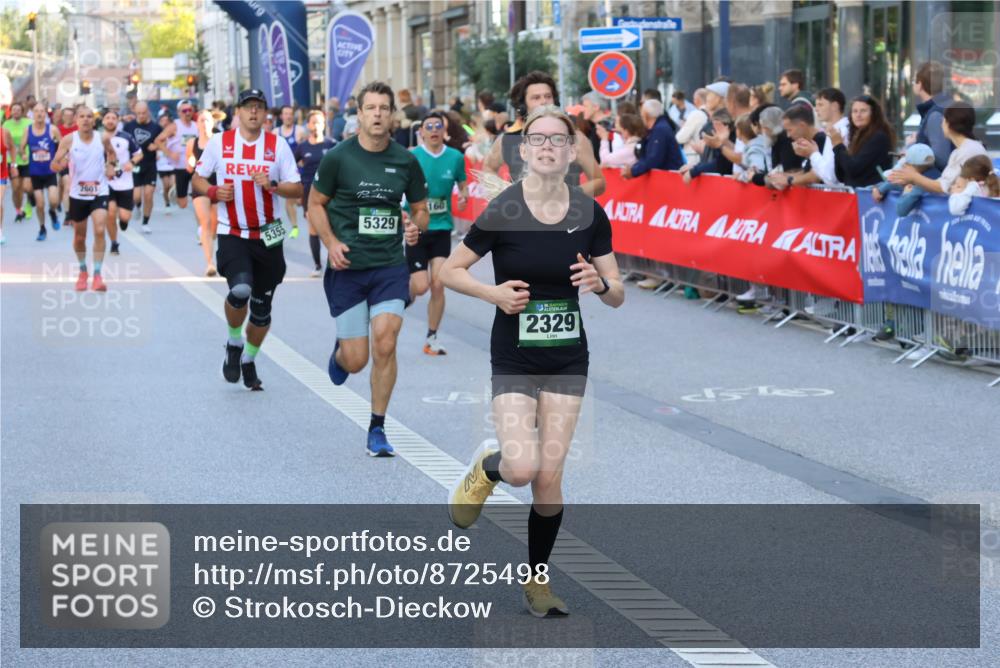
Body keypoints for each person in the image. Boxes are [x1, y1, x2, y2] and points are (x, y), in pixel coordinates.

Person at [441, 105, 624, 618]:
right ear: (523, 150)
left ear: (571, 151)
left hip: (567, 358)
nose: (547, 147)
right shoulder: (505, 208)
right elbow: (450, 271)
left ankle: (537, 581)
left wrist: (600, 283)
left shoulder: (589, 212)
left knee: (548, 477)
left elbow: (618, 293)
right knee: (522, 468)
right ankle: (489, 466)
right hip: (515, 354)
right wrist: (492, 293)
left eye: (557, 140)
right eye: (537, 139)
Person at [308, 81, 430, 457]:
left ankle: (377, 427)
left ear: (392, 115)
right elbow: (315, 204)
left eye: (384, 108)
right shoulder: (338, 158)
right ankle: (342, 353)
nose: (377, 114)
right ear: (359, 115)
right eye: (371, 108)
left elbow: (421, 210)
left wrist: (415, 227)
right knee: (357, 360)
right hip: (348, 267)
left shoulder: (406, 161)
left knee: (386, 341)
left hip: (389, 267)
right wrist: (331, 243)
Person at [192, 89, 303, 390]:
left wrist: (274, 185)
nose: (253, 112)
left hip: (269, 232)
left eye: (259, 107)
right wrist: (213, 191)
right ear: (238, 113)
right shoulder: (220, 143)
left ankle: (249, 359)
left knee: (262, 310)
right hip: (233, 231)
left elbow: (297, 189)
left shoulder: (277, 145)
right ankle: (233, 342)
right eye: (248, 107)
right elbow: (197, 178)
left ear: (266, 113)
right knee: (240, 289)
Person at [483, 71, 605, 197]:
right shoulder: (507, 139)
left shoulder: (574, 138)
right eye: (536, 98)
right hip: (519, 209)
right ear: (523, 105)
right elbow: (488, 168)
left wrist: (568, 195)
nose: (544, 101)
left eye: (548, 96)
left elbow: (599, 182)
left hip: (566, 209)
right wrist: (503, 192)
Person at [405, 111, 468, 356]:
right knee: (421, 287)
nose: (433, 130)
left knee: (439, 283)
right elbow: (401, 189)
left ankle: (431, 337)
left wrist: (463, 197)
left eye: (437, 126)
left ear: (444, 131)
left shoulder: (455, 157)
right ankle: (404, 293)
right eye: (428, 126)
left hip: (441, 227)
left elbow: (462, 184)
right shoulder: (412, 156)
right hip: (417, 228)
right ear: (421, 132)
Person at [49, 105, 115, 292]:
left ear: (94, 121)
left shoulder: (102, 138)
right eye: (82, 117)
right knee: (80, 237)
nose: (86, 120)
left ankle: (97, 274)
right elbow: (54, 164)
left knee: (100, 229)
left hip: (99, 191)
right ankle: (83, 271)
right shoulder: (69, 140)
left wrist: (111, 166)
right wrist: (61, 164)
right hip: (78, 194)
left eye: (89, 116)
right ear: (76, 120)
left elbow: (112, 154)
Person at [888, 102, 988, 195]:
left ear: (949, 124)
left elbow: (943, 187)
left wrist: (914, 177)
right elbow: (943, 183)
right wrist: (913, 180)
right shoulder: (963, 149)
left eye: (943, 120)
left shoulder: (967, 150)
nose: (941, 124)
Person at [293, 109, 337, 276]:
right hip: (309, 192)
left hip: (330, 192)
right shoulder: (302, 147)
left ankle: (334, 260)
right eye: (314, 122)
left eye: (320, 122)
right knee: (313, 228)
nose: (317, 125)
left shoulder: (332, 144)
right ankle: (317, 265)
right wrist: (297, 187)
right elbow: (291, 166)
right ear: (308, 125)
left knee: (332, 227)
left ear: (324, 125)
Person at [123, 102, 170, 233]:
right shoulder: (129, 126)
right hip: (135, 165)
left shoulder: (156, 127)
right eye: (138, 113)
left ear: (148, 112)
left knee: (148, 195)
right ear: (135, 112)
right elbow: (122, 141)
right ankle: (137, 205)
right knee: (136, 196)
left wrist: (156, 146)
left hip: (150, 165)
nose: (141, 115)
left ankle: (145, 222)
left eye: (143, 113)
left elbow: (164, 140)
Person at [101, 109, 142, 256]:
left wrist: (131, 162)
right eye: (108, 118)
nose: (110, 120)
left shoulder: (126, 137)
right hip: (106, 183)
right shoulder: (97, 138)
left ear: (118, 121)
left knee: (124, 217)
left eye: (113, 118)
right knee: (110, 213)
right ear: (103, 121)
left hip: (125, 183)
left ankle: (124, 222)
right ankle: (114, 242)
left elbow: (139, 154)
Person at [830, 95, 894, 188]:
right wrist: (838, 147)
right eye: (855, 111)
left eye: (863, 111)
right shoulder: (855, 136)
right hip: (856, 193)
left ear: (873, 114)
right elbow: (841, 175)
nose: (858, 115)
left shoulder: (878, 137)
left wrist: (838, 145)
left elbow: (853, 169)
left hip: (869, 194)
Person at [188, 110, 221, 275]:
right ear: (197, 124)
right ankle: (209, 263)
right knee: (205, 222)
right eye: (201, 120)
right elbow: (189, 167)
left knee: (217, 223)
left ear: (212, 123)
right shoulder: (192, 143)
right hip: (200, 185)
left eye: (207, 120)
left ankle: (211, 237)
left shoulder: (219, 141)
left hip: (218, 184)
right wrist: (191, 162)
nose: (204, 123)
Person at [24, 102, 62, 240]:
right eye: (36, 111)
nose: (39, 114)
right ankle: (42, 228)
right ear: (32, 114)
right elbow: (21, 148)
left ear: (45, 114)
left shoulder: (52, 129)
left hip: (50, 171)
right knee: (40, 205)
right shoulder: (28, 130)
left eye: (42, 111)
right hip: (35, 173)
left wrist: (59, 159)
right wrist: (23, 154)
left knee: (54, 201)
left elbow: (62, 145)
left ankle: (52, 212)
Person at [623, 98, 684, 179]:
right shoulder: (657, 129)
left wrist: (633, 171)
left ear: (646, 116)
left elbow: (654, 159)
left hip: (669, 179)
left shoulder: (660, 130)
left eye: (642, 116)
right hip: (666, 177)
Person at [911, 61, 954, 175]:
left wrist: (913, 152)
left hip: (934, 181)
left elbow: (941, 158)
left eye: (913, 81)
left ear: (920, 84)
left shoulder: (935, 114)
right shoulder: (946, 105)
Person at [871, 143, 935, 216]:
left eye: (906, 165)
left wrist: (906, 193)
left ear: (910, 166)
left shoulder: (921, 184)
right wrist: (878, 189)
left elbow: (901, 211)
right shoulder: (933, 175)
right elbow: (894, 183)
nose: (904, 167)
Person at [159, 100, 200, 212]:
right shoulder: (174, 126)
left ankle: (198, 200)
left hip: (195, 167)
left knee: (200, 196)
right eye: (184, 110)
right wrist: (170, 153)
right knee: (182, 204)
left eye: (189, 110)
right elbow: (158, 140)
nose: (187, 113)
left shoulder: (196, 126)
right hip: (180, 167)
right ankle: (177, 191)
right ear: (179, 113)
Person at [680, 108, 735, 183]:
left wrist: (694, 171)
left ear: (726, 125)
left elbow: (720, 164)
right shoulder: (717, 137)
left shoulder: (732, 138)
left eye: (717, 124)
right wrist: (694, 167)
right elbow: (712, 161)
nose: (714, 127)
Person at [275, 105, 305, 239]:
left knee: (300, 200)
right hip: (285, 173)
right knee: (289, 200)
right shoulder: (276, 132)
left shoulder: (300, 131)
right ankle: (295, 226)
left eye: (290, 114)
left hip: (300, 170)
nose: (288, 116)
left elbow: (308, 147)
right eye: (285, 114)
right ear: (281, 116)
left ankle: (310, 220)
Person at [3, 102, 33, 223]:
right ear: (11, 112)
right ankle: (19, 211)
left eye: (18, 110)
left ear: (22, 111)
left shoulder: (28, 123)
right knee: (16, 188)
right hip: (12, 160)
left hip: (27, 159)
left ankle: (29, 203)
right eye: (14, 110)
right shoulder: (6, 124)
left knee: (27, 186)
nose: (16, 112)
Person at [675, 87, 709, 163]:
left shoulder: (696, 114)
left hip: (693, 157)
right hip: (706, 156)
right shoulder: (711, 114)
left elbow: (680, 138)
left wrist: (683, 127)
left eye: (694, 99)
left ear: (697, 100)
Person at [56, 107, 77, 214]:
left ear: (74, 117)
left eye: (70, 115)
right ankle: (67, 212)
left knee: (69, 186)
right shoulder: (57, 130)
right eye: (66, 115)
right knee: (65, 186)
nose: (68, 118)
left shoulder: (78, 129)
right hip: (63, 163)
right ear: (62, 117)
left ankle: (70, 211)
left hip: (77, 163)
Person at [155, 114, 176, 210]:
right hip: (162, 164)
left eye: (166, 120)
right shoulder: (156, 133)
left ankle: (172, 198)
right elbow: (153, 145)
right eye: (162, 120)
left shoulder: (173, 133)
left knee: (172, 185)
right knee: (166, 186)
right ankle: (167, 203)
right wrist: (156, 152)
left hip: (172, 164)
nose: (165, 122)